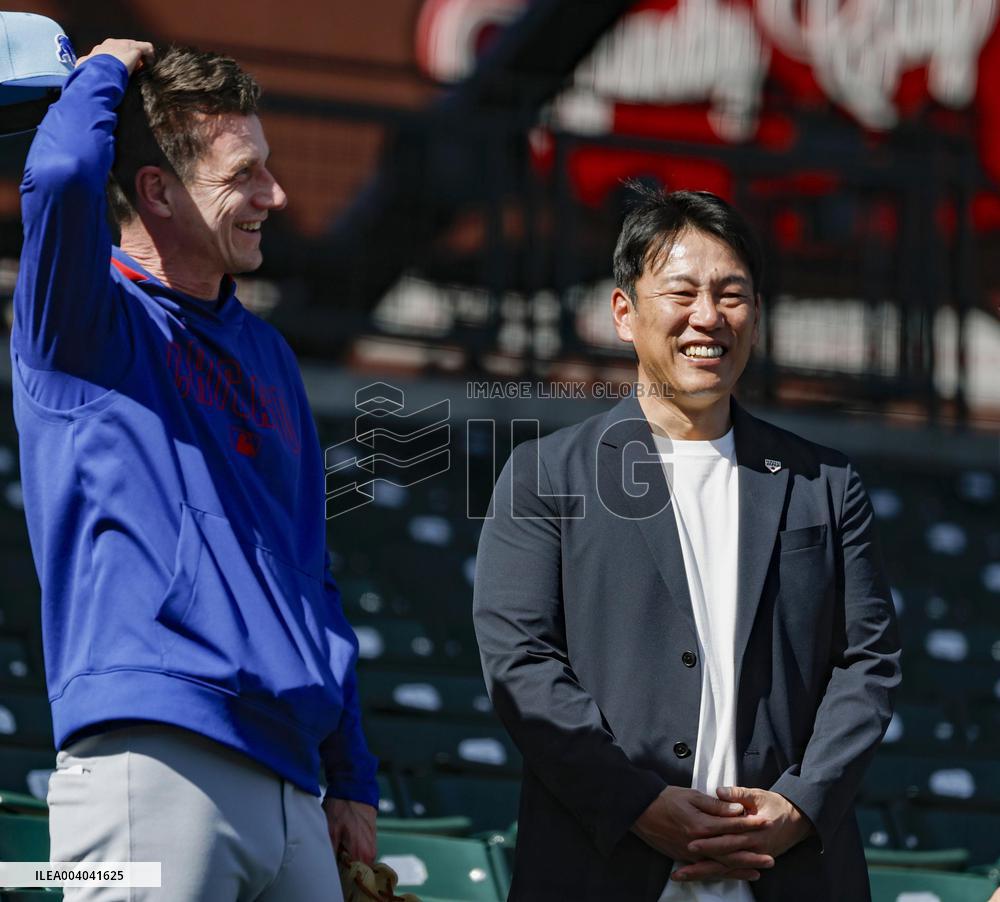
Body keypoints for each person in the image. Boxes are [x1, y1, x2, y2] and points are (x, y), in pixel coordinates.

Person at [12, 38, 377, 900]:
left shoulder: (269, 353)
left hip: (292, 779)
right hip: (151, 759)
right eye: (244, 173)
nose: (275, 195)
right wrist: (103, 70)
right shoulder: (83, 322)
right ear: (157, 191)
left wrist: (349, 772)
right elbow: (60, 175)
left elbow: (309, 571)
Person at [473, 181, 901, 901]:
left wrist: (798, 806)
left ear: (756, 316)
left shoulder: (825, 483)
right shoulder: (545, 475)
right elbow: (520, 664)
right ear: (624, 313)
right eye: (682, 292)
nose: (709, 316)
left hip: (788, 875)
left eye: (732, 295)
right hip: (602, 870)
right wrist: (638, 803)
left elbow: (868, 663)